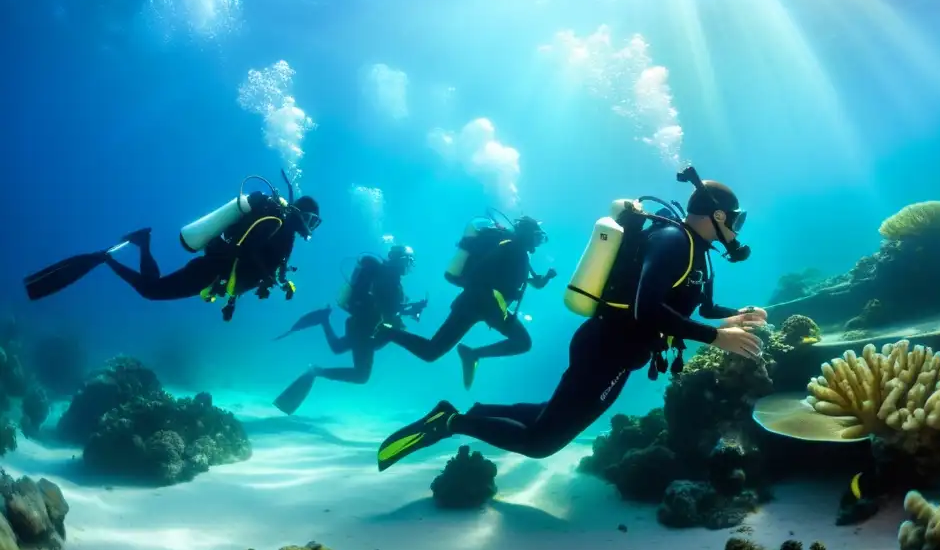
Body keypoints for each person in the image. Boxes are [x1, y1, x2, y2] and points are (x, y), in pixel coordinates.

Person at [376, 167, 765, 472]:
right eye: (736, 220)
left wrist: (737, 316)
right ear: (716, 214)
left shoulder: (700, 254)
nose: (736, 230)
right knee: (541, 443)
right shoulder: (673, 242)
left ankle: (477, 412)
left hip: (617, 351)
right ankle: (451, 422)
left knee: (552, 415)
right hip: (606, 348)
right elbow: (644, 309)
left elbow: (700, 308)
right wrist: (716, 338)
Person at [23, 173, 321, 322]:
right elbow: (246, 250)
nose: (311, 227)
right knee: (151, 291)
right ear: (301, 214)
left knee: (154, 288)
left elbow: (258, 260)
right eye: (312, 221)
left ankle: (142, 242)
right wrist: (267, 279)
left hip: (216, 274)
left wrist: (275, 281)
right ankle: (106, 259)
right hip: (211, 269)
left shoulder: (284, 232)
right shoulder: (277, 223)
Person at [377, 215, 557, 390]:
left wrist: (547, 277)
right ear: (527, 233)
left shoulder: (520, 253)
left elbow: (532, 282)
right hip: (475, 305)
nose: (538, 242)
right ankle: (388, 332)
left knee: (523, 342)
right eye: (537, 237)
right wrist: (490, 299)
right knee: (431, 352)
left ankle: (472, 354)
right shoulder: (510, 248)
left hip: (490, 308)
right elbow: (479, 274)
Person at [271, 244, 429, 415]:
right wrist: (410, 309)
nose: (409, 266)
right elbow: (389, 309)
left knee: (338, 348)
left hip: (358, 323)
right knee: (361, 376)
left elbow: (386, 305)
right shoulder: (389, 278)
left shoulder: (384, 275)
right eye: (409, 261)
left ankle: (323, 320)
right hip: (366, 328)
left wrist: (407, 308)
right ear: (402, 260)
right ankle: (316, 371)